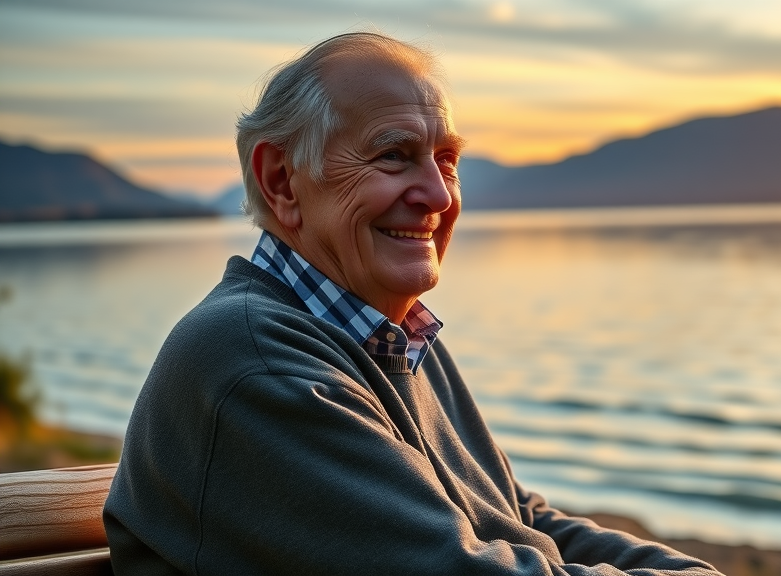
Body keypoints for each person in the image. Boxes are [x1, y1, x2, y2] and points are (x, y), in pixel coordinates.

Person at [103, 32, 722, 575]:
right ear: (282, 182)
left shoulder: (390, 336)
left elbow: (516, 516)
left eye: (446, 159)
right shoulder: (258, 367)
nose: (437, 195)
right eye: (393, 154)